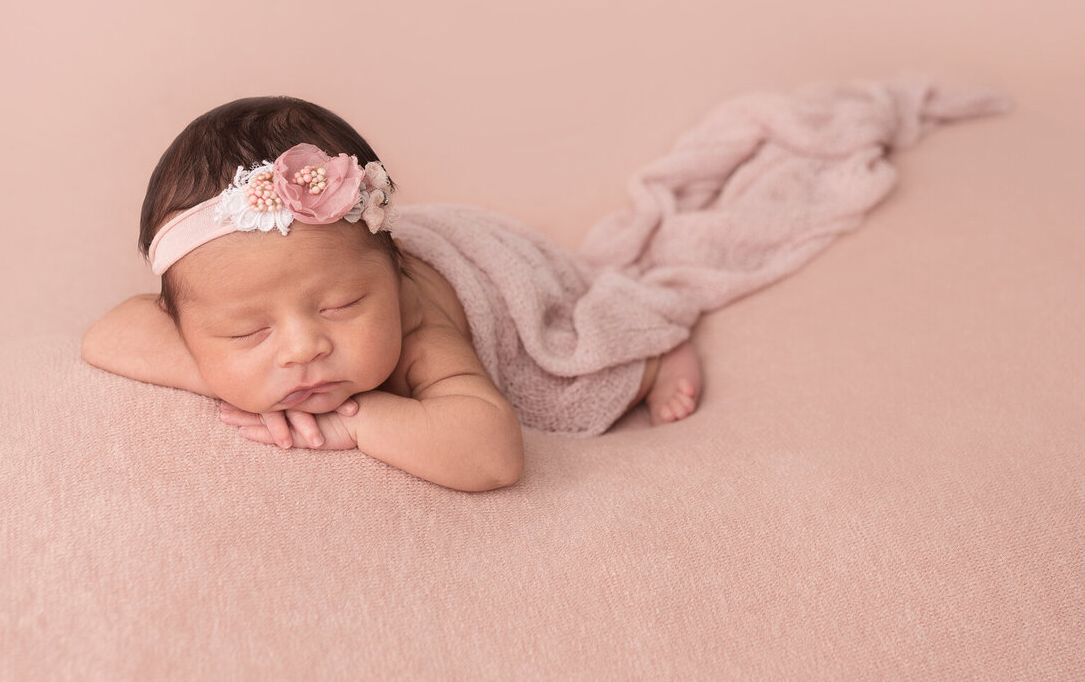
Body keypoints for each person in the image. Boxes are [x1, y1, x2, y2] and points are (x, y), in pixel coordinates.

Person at [82, 96, 703, 493]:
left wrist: (359, 420)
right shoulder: (223, 312)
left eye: (343, 306)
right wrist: (226, 371)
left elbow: (493, 454)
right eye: (249, 330)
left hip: (486, 273)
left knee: (580, 357)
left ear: (391, 274)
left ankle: (652, 357)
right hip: (346, 261)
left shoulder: (414, 332)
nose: (303, 348)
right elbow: (107, 336)